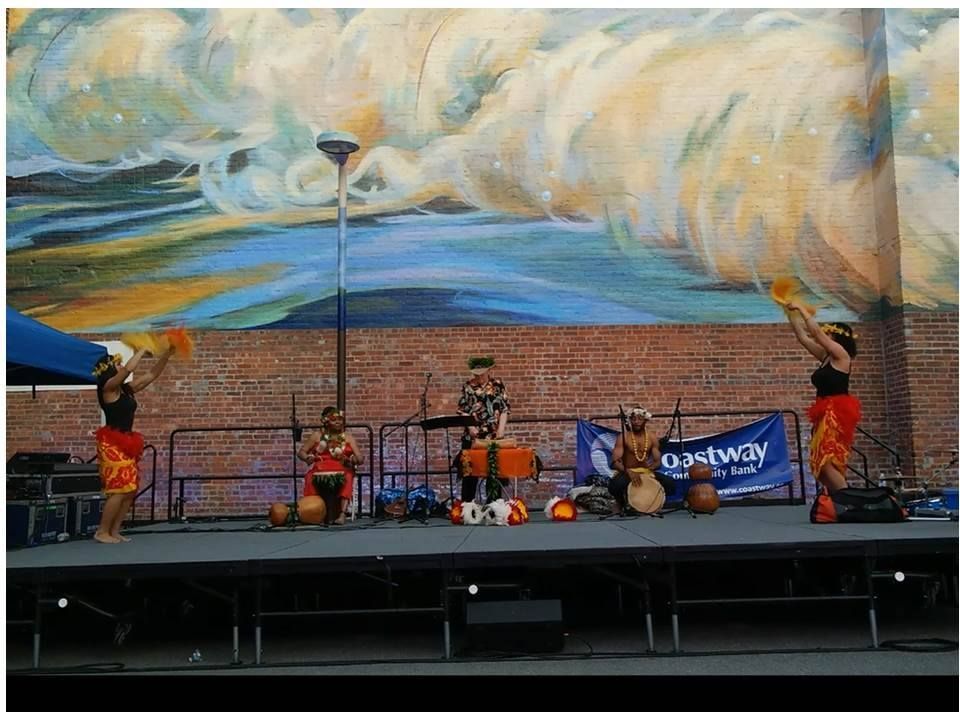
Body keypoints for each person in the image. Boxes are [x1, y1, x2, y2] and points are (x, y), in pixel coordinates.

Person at [93, 347, 173, 543]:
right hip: (111, 444)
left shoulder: (126, 390)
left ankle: (114, 530)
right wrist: (141, 351)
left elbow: (151, 375)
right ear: (110, 370)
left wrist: (166, 354)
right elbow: (128, 369)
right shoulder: (109, 388)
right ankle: (102, 531)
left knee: (129, 490)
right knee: (119, 488)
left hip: (127, 442)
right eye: (117, 364)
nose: (121, 366)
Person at [786, 302, 860, 494]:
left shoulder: (841, 356)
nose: (824, 336)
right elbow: (803, 338)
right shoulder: (826, 357)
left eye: (829, 334)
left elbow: (816, 334)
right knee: (820, 460)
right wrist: (790, 314)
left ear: (836, 337)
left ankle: (846, 498)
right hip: (823, 411)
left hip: (836, 412)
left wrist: (802, 309)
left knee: (827, 458)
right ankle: (838, 498)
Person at [456, 356, 510, 502]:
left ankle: (494, 504)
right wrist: (470, 427)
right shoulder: (467, 387)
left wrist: (501, 430)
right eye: (476, 374)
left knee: (493, 472)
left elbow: (505, 409)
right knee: (470, 472)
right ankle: (467, 505)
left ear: (488, 371)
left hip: (493, 435)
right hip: (473, 436)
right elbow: (463, 410)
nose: (479, 376)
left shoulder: (498, 385)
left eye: (481, 373)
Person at [298, 406, 363, 524]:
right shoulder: (317, 436)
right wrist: (307, 458)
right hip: (320, 468)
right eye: (334, 419)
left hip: (342, 469)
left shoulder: (348, 438)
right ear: (326, 422)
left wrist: (354, 459)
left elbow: (360, 458)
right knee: (309, 477)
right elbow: (301, 452)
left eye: (340, 419)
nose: (338, 422)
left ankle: (342, 514)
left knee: (348, 477)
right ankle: (313, 511)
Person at [608, 407, 675, 511]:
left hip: (646, 471)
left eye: (640, 419)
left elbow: (658, 462)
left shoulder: (652, 437)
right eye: (633, 419)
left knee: (670, 483)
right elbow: (614, 462)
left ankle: (654, 503)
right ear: (630, 420)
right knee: (615, 485)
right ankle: (622, 503)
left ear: (645, 420)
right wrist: (628, 472)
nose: (636, 422)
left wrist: (652, 468)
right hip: (628, 471)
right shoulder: (623, 437)